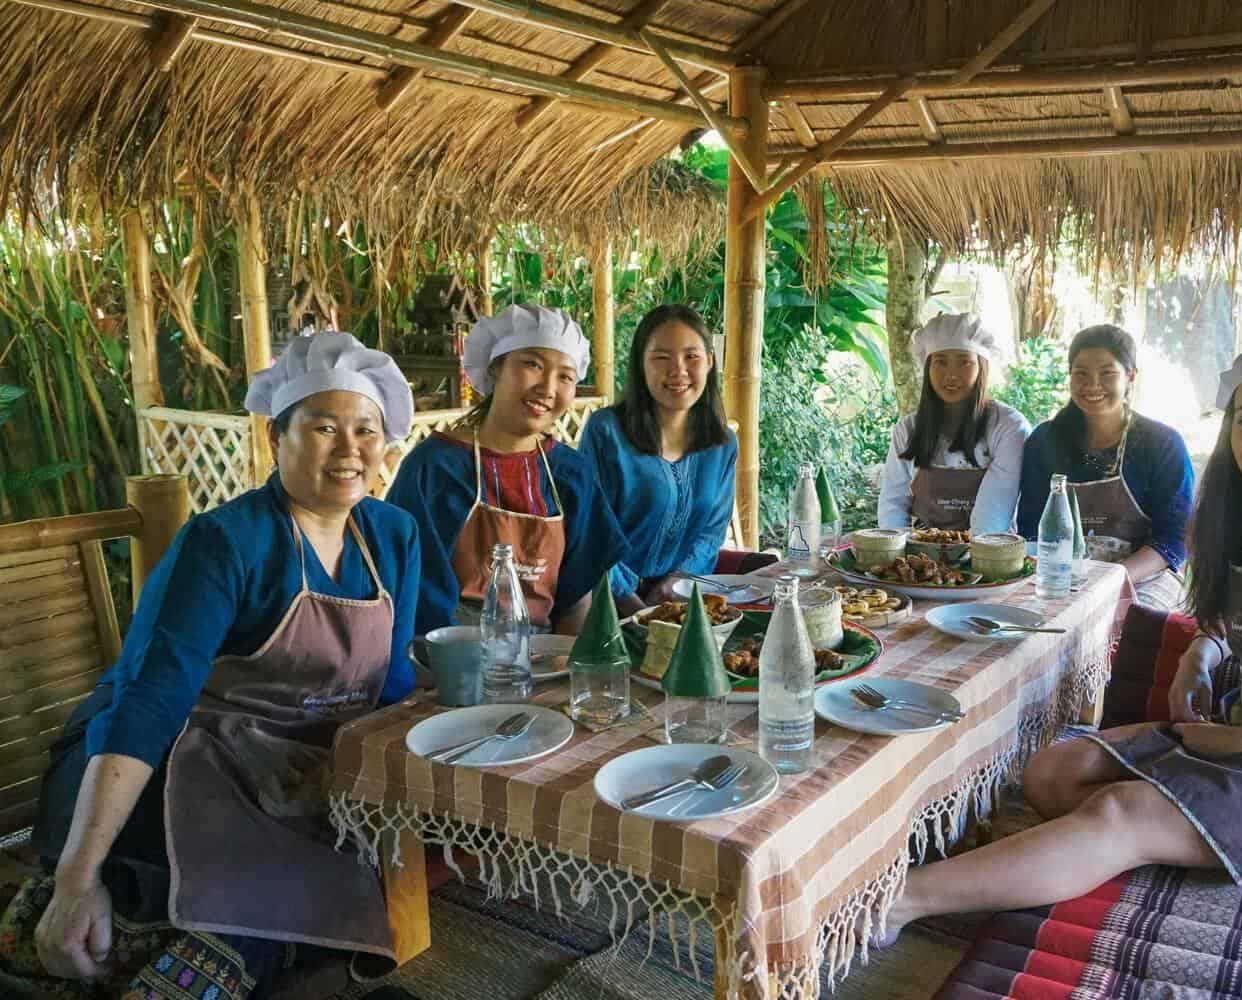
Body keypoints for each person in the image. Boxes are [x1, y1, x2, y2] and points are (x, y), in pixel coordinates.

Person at [879, 335, 1242, 939]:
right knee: (1050, 774)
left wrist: (1238, 746)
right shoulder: (1233, 523)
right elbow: (1228, 620)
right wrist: (1202, 651)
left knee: (1123, 811)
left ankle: (898, 903)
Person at [0, 331, 422, 998]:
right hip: (166, 762)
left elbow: (392, 682)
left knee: (359, 872)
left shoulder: (392, 534)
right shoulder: (226, 542)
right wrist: (81, 876)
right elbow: (148, 701)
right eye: (324, 428)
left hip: (294, 768)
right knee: (253, 889)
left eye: (366, 429)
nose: (350, 449)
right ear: (275, 439)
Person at [386, 303, 626, 636]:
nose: (548, 387)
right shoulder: (434, 468)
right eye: (532, 364)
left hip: (545, 662)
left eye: (565, 376)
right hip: (449, 660)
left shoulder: (572, 474)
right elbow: (405, 595)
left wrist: (567, 672)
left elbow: (578, 602)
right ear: (496, 368)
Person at [1016, 324, 1194, 609]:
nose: (1092, 385)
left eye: (1107, 373)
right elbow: (1031, 526)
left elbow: (1173, 539)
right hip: (1061, 575)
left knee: (1135, 633)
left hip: (1142, 578)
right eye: (1081, 373)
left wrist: (1112, 579)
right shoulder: (1045, 441)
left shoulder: (1161, 443)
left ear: (1130, 376)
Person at [577, 304, 737, 615]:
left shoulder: (723, 443)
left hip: (683, 597)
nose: (678, 370)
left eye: (692, 356)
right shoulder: (606, 432)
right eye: (661, 357)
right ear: (641, 364)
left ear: (709, 362)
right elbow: (590, 533)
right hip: (604, 604)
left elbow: (711, 533)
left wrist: (675, 585)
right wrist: (635, 608)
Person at [877, 313, 1029, 536]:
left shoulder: (1008, 427)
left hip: (989, 554)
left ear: (981, 367)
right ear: (927, 367)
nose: (951, 374)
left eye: (964, 362)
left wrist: (972, 558)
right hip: (920, 555)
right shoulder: (908, 429)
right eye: (940, 362)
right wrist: (900, 553)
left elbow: (995, 509)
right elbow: (893, 502)